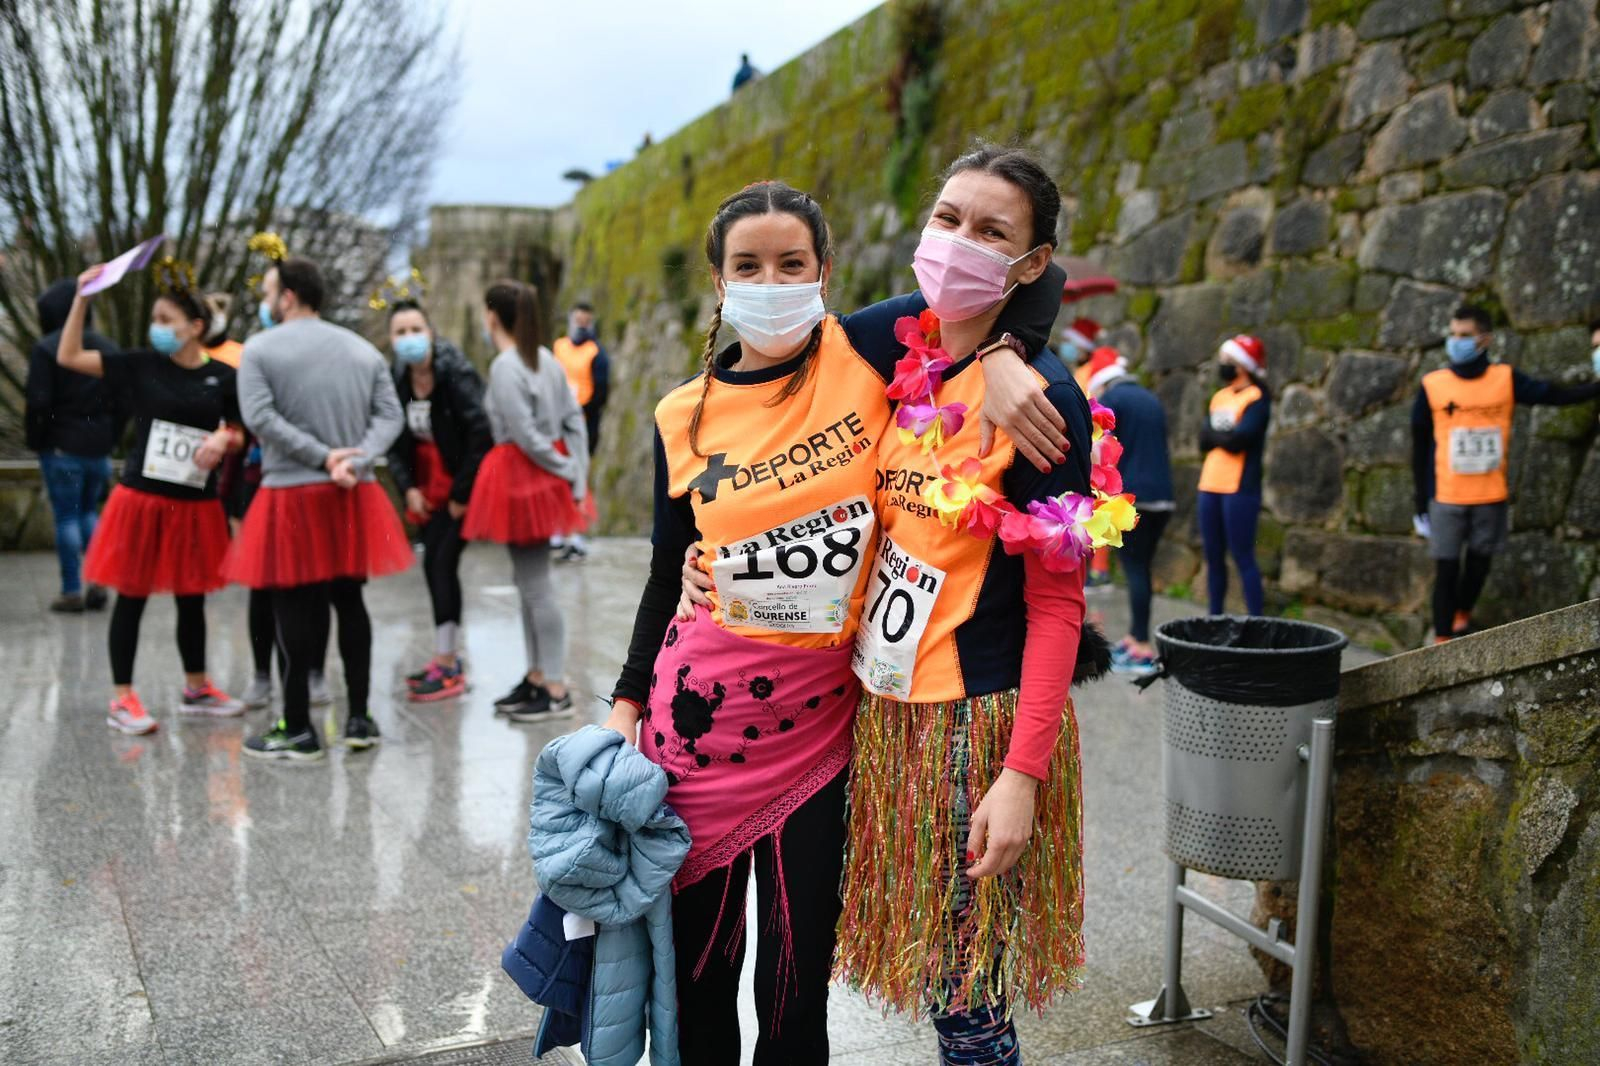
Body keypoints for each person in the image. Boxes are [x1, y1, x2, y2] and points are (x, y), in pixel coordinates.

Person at [603, 175, 1071, 1065]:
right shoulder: (681, 413)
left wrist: (1013, 347)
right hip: (696, 730)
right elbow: (668, 570)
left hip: (820, 734)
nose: (770, 283)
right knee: (700, 989)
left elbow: (1012, 275)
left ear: (825, 272)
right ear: (718, 281)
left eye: (792, 264)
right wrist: (624, 704)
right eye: (748, 266)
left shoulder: (862, 350)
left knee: (794, 993)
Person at [829, 146, 1127, 1066]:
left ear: (1030, 262)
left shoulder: (1046, 407)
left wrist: (1022, 774)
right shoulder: (899, 350)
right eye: (948, 218)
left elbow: (1059, 608)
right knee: (939, 978)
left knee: (968, 996)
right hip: (888, 710)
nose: (958, 242)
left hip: (975, 724)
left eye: (992, 231)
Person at [225, 255, 412, 760]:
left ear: (288, 296)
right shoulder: (362, 350)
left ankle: (299, 726)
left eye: (269, 292)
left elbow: (259, 417)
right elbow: (391, 416)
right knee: (350, 600)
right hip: (351, 493)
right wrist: (356, 457)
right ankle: (359, 717)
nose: (266, 301)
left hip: (290, 491)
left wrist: (320, 456)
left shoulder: (259, 349)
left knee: (293, 607)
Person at [57, 261, 246, 734]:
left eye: (166, 320)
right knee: (132, 595)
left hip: (196, 504)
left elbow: (241, 429)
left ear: (196, 327)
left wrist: (225, 439)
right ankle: (122, 697)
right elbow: (69, 356)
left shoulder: (223, 376)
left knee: (191, 598)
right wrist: (82, 299)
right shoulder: (139, 365)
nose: (156, 327)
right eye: (155, 319)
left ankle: (197, 688)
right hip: (143, 499)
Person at [1411, 305, 1600, 642]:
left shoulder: (1505, 379)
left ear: (1484, 339)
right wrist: (1420, 500)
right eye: (1453, 334)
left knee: (1479, 566)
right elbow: (1419, 445)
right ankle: (1440, 641)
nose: (1456, 341)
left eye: (1465, 335)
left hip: (1489, 495)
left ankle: (1461, 616)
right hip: (1446, 496)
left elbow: (1553, 395)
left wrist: (1595, 388)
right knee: (1446, 569)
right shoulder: (1433, 385)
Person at [464, 280, 592, 722]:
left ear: (492, 316)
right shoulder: (546, 360)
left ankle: (553, 685)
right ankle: (539, 676)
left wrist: (566, 469)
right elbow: (573, 421)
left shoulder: (506, 366)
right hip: (543, 476)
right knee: (529, 584)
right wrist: (574, 470)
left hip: (525, 477)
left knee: (535, 586)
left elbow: (524, 435)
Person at [386, 299, 492, 701]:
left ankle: (449, 664)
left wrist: (462, 494)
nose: (409, 338)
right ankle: (445, 657)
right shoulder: (398, 380)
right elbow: (395, 443)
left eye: (416, 329)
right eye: (400, 332)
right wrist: (408, 489)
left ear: (430, 332)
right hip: (426, 490)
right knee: (433, 566)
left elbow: (481, 433)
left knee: (441, 563)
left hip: (460, 485)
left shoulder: (455, 374)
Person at [25, 278, 117, 613]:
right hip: (98, 448)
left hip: (61, 448)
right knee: (90, 514)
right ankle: (98, 582)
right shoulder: (107, 348)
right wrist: (109, 436)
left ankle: (72, 590)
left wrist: (38, 440)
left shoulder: (47, 349)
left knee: (67, 517)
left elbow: (38, 403)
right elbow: (121, 401)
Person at [1086, 347, 1174, 675]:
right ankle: (1135, 637)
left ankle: (1141, 647)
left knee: (1135, 569)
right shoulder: (1150, 398)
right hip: (1163, 496)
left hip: (1133, 496)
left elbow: (1099, 448)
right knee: (1142, 569)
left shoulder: (1113, 400)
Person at [1198, 334, 1270, 617]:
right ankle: (1214, 617)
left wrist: (1220, 437)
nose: (1222, 365)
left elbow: (1241, 439)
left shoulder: (1257, 398)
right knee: (1213, 556)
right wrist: (1224, 437)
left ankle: (1257, 620)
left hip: (1239, 487)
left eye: (1228, 360)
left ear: (1243, 365)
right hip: (1209, 484)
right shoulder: (1220, 397)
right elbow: (1204, 438)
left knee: (1243, 555)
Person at [551, 300, 611, 561]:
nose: (582, 325)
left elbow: (601, 392)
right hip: (556, 422)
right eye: (578, 320)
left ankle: (575, 535)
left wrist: (577, 411)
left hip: (583, 424)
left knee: (578, 478)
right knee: (556, 475)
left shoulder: (596, 353)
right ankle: (556, 531)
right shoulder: (559, 347)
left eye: (586, 322)